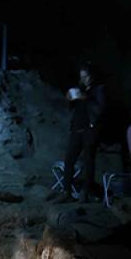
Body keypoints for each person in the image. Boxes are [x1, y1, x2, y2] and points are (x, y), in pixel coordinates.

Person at [54, 63, 106, 203]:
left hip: (90, 130)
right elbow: (73, 107)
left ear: (92, 75)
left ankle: (85, 193)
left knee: (88, 161)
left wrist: (86, 98)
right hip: (77, 129)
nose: (85, 79)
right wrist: (70, 98)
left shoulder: (99, 89)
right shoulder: (80, 89)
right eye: (82, 77)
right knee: (69, 159)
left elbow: (100, 110)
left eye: (87, 76)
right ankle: (66, 191)